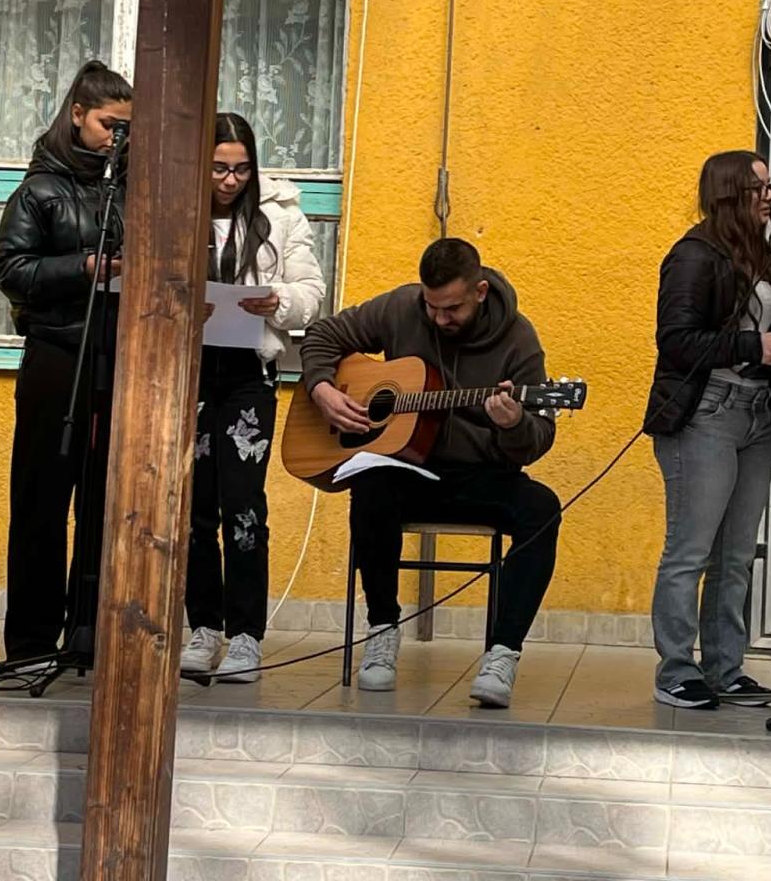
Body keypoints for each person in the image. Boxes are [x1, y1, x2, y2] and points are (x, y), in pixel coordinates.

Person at [300, 238, 560, 709]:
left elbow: (539, 436)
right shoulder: (401, 308)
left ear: (480, 291)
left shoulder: (518, 338)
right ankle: (383, 628)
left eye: (452, 308)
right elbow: (322, 334)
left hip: (480, 477)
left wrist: (514, 424)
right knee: (371, 485)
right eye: (431, 306)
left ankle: (502, 654)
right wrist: (321, 388)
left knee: (542, 508)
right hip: (408, 471)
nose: (439, 318)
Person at [0, 60, 133, 670]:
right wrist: (83, 268)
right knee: (41, 502)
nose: (117, 139)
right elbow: (10, 269)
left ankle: (88, 633)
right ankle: (30, 643)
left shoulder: (130, 189)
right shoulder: (40, 189)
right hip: (56, 355)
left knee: (105, 501)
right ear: (77, 115)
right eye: (109, 125)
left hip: (117, 356)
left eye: (127, 129)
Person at [179, 113, 326, 682]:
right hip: (189, 370)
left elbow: (311, 293)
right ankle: (203, 626)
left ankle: (245, 635)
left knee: (243, 505)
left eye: (241, 169)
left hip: (248, 372)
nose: (230, 180)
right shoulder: (179, 210)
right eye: (219, 168)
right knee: (194, 508)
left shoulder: (279, 215)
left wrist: (278, 301)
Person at [644, 150, 771, 710]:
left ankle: (725, 667)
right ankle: (676, 669)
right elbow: (676, 340)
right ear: (732, 193)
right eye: (761, 188)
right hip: (705, 412)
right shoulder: (693, 255)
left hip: (756, 410)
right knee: (690, 550)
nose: (770, 197)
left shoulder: (758, 253)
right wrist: (753, 345)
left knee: (737, 554)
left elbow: (765, 325)